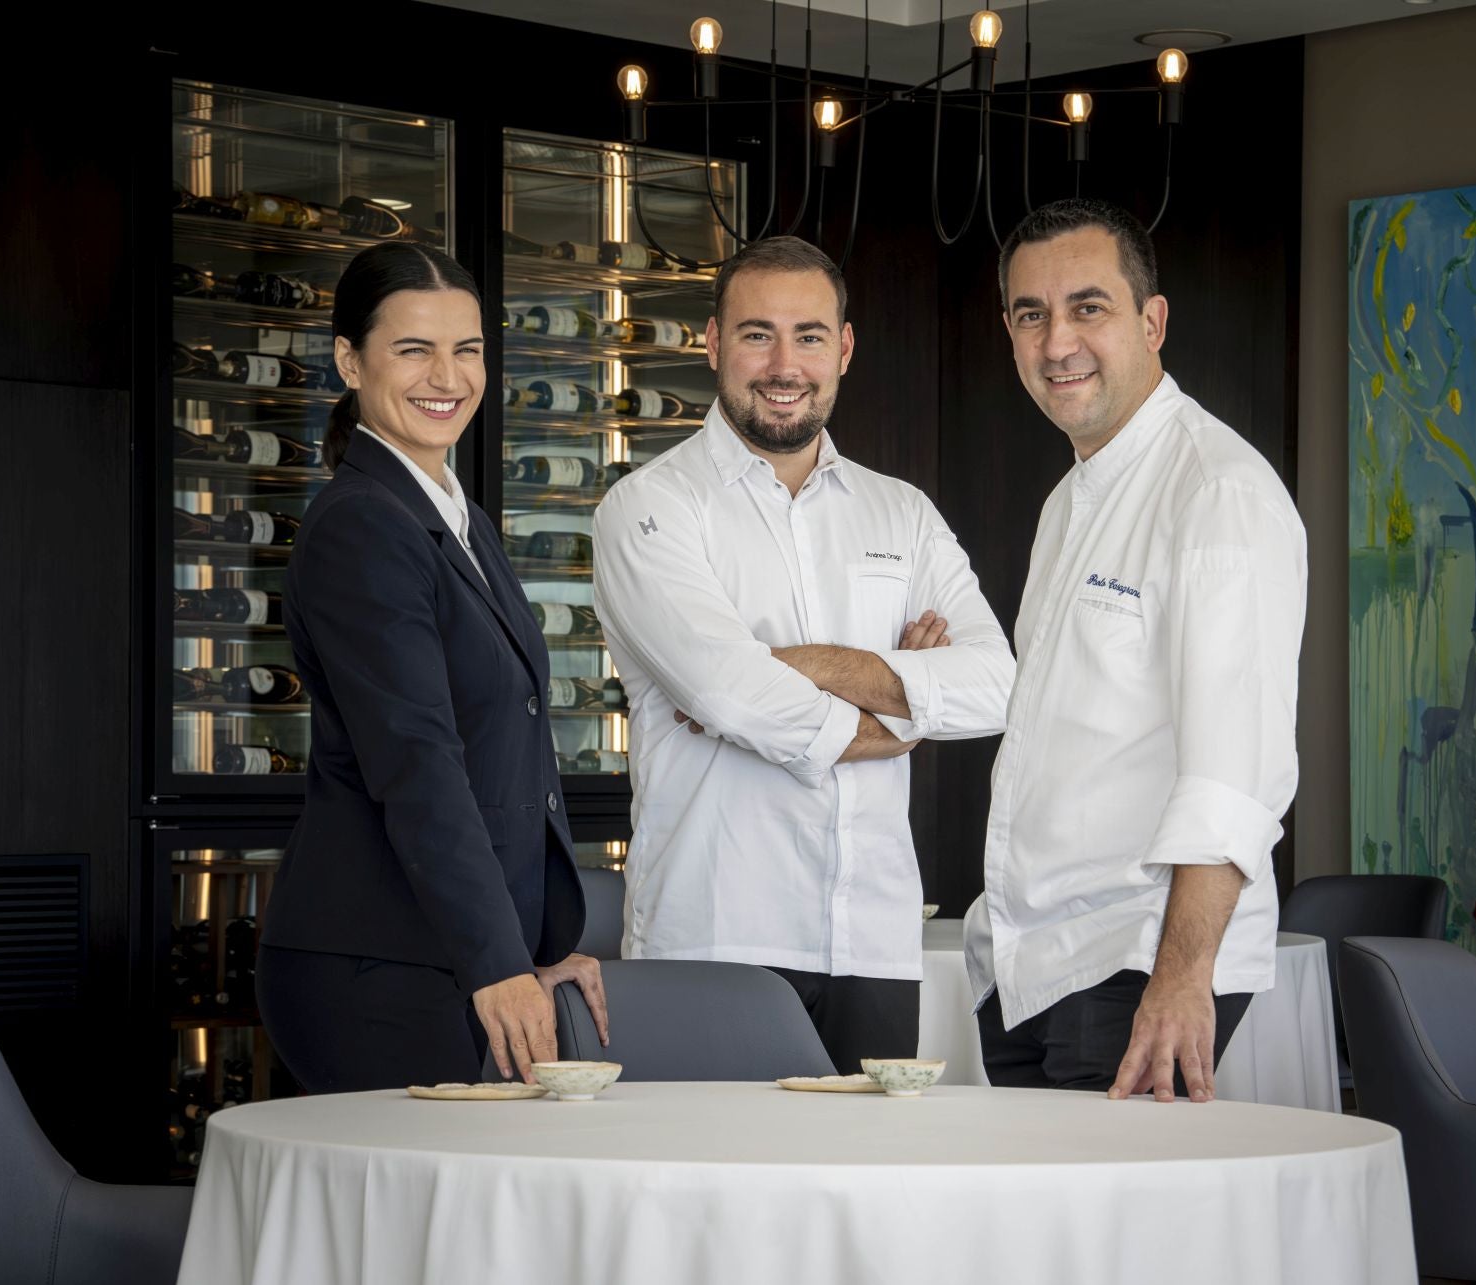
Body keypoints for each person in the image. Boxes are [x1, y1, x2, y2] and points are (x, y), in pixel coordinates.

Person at [591, 236, 1014, 1073]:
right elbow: (729, 691)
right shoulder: (648, 508)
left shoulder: (904, 514)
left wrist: (796, 663)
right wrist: (898, 711)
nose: (785, 364)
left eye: (810, 336)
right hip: (713, 935)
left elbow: (998, 686)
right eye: (757, 334)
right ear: (712, 343)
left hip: (873, 940)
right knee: (717, 1200)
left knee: (865, 1200)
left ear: (845, 349)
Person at [967, 198, 1307, 1101]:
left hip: (1135, 965)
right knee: (1031, 1243)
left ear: (1152, 321)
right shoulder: (1068, 500)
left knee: (1107, 1241)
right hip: (1031, 965)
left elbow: (1235, 773)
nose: (1057, 344)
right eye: (1031, 315)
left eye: (1089, 308)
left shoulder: (1216, 493)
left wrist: (1182, 976)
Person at [257, 242, 606, 1092]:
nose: (447, 375)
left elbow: (502, 742)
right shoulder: (362, 526)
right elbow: (419, 760)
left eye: (469, 349)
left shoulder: (459, 518)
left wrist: (537, 949)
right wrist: (498, 960)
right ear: (350, 360)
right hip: (374, 963)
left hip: (440, 954)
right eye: (414, 349)